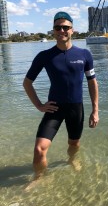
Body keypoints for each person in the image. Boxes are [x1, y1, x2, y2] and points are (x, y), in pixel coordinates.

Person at [23, 11, 99, 179]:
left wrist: (95, 110)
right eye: (58, 27)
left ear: (72, 30)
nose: (62, 30)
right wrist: (39, 105)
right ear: (53, 31)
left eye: (66, 27)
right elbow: (27, 83)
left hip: (75, 108)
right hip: (54, 108)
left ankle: (71, 160)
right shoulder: (44, 56)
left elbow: (92, 82)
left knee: (74, 144)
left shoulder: (84, 54)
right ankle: (40, 178)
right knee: (39, 149)